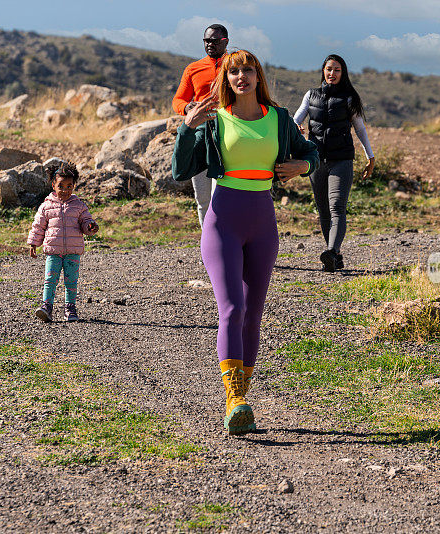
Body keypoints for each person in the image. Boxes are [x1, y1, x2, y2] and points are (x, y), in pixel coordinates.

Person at [172, 50, 319, 435]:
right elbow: (180, 169)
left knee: (253, 314)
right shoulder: (216, 119)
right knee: (232, 308)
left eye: (247, 70)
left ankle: (242, 404)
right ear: (225, 78)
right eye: (233, 71)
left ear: (258, 76)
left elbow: (310, 152)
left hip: (263, 223)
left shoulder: (280, 119)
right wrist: (187, 129)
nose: (241, 77)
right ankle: (234, 398)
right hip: (223, 222)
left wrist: (304, 165)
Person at [293, 54, 375, 272]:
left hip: (342, 161)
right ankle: (335, 257)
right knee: (323, 211)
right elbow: (295, 120)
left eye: (337, 70)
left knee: (337, 206)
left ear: (343, 73)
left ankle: (330, 251)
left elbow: (360, 129)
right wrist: (297, 132)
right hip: (316, 161)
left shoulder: (349, 99)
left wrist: (370, 156)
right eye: (329, 69)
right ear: (323, 71)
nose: (332, 73)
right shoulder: (311, 95)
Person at [172, 23, 229, 227]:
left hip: (229, 134)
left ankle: (226, 244)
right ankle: (208, 247)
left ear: (226, 42)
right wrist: (188, 109)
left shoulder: (235, 66)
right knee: (203, 199)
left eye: (214, 40)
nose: (209, 44)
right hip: (200, 135)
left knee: (221, 196)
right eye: (206, 40)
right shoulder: (193, 68)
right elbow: (177, 100)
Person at [28, 161, 99, 322]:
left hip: (73, 252)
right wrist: (33, 243)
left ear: (73, 186)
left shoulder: (79, 206)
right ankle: (47, 307)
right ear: (53, 185)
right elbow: (38, 226)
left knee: (71, 281)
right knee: (50, 280)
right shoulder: (46, 206)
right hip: (53, 252)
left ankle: (70, 308)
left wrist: (90, 227)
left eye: (69, 186)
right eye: (61, 186)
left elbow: (86, 222)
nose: (65, 190)